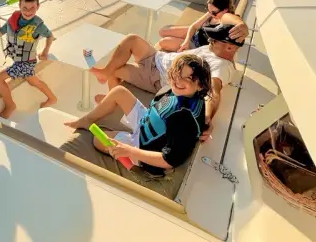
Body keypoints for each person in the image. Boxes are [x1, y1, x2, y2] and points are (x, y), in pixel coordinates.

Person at [89, 22, 245, 141]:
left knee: (116, 70)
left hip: (156, 76)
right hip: (157, 58)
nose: (210, 41)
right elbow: (231, 19)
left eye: (213, 41)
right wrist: (242, 26)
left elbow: (214, 91)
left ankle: (111, 101)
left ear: (230, 48)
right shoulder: (215, 51)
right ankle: (105, 77)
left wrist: (207, 118)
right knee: (132, 39)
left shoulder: (221, 66)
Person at [65, 54, 212, 175]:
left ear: (200, 85)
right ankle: (85, 120)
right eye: (176, 74)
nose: (178, 80)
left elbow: (169, 161)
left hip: (144, 148)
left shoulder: (184, 119)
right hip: (147, 123)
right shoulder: (179, 92)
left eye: (187, 78)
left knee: (99, 139)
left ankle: (132, 164)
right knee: (119, 92)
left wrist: (130, 151)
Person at [0, 0, 57, 118]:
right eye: (24, 8)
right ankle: (52, 98)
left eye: (32, 8)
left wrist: (45, 51)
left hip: (25, 62)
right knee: (33, 81)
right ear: (19, 6)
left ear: (38, 6)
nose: (28, 12)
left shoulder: (38, 25)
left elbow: (50, 36)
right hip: (21, 61)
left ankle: (10, 106)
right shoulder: (13, 19)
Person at [157, 0, 235, 52]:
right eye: (208, 10)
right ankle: (181, 38)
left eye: (213, 13)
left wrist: (188, 45)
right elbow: (194, 26)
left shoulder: (225, 25)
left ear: (225, 10)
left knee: (163, 42)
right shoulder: (212, 13)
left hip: (196, 45)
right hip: (195, 33)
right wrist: (186, 41)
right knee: (162, 31)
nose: (210, 14)